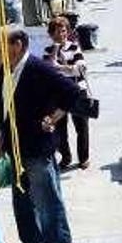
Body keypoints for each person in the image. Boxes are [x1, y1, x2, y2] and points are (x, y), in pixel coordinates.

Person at [0, 29, 81, 243]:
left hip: (37, 147)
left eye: (2, 44)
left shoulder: (37, 68)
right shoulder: (5, 70)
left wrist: (53, 118)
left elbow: (72, 92)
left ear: (18, 45)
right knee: (21, 199)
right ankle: (32, 241)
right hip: (16, 146)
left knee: (47, 200)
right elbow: (3, 105)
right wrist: (1, 135)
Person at [44, 17, 90, 169]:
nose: (61, 35)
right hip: (58, 94)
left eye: (63, 31)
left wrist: (61, 68)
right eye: (57, 32)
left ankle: (84, 158)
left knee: (81, 126)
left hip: (77, 91)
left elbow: (80, 68)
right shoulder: (48, 50)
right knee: (60, 128)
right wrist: (57, 52)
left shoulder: (75, 47)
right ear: (51, 35)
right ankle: (66, 157)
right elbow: (48, 68)